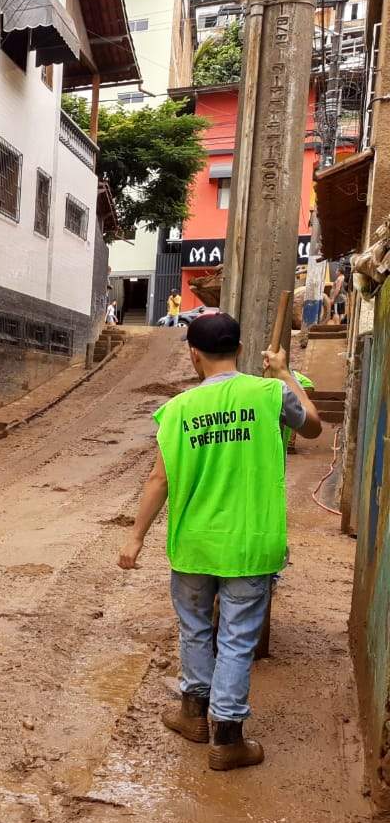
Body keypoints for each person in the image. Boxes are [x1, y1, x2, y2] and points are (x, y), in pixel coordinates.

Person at [119, 314, 321, 771]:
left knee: (195, 629)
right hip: (250, 545)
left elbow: (158, 478)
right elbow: (311, 425)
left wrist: (135, 538)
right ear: (240, 349)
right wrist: (285, 371)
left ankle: (194, 715)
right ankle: (226, 738)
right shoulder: (269, 393)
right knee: (236, 640)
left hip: (193, 543)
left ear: (194, 353)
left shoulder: (177, 410)